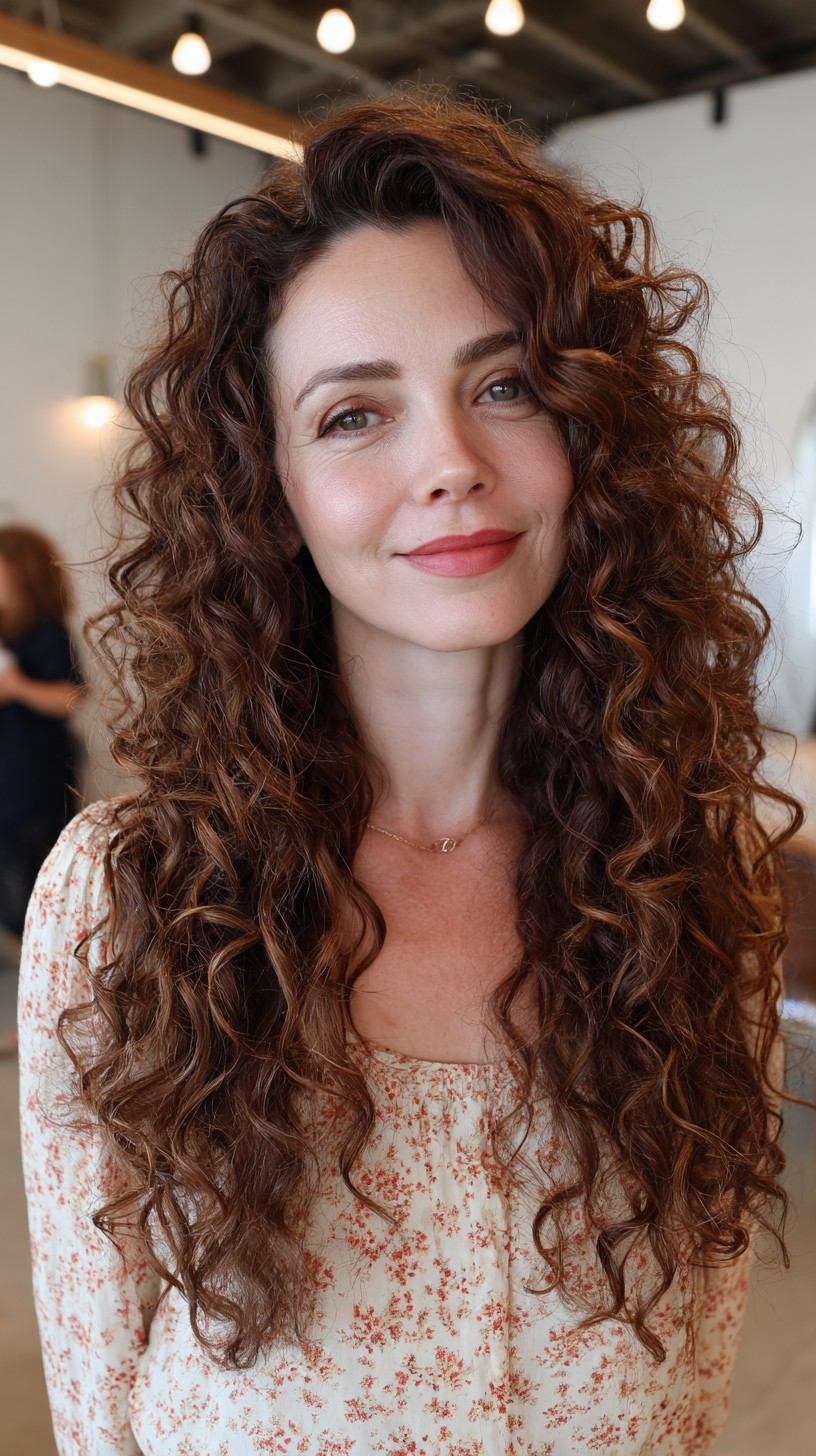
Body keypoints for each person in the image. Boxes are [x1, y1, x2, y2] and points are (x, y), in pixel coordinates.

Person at [19, 90, 800, 1455]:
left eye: (503, 386)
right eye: (354, 415)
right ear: (268, 490)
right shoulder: (131, 900)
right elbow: (99, 1402)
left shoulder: (693, 873)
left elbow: (689, 1391)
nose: (450, 463)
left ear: (589, 434)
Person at [0, 525, 83, 1055]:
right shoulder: (8, 635)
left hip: (35, 786)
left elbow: (70, 699)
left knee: (38, 905)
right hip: (9, 787)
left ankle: (50, 1017)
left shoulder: (46, 634)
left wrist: (16, 687)